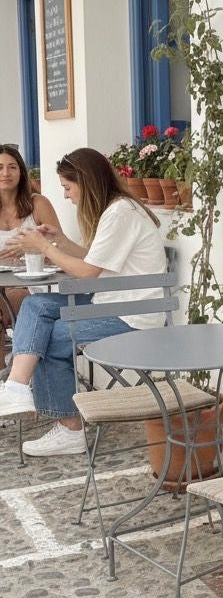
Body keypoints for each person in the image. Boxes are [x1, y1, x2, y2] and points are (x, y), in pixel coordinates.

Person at [0, 148, 167, 456]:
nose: (65, 195)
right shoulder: (116, 209)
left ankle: (70, 430)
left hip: (132, 316)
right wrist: (59, 242)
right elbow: (93, 261)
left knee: (46, 339)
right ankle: (17, 387)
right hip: (114, 302)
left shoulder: (120, 213)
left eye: (67, 187)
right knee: (36, 306)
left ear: (86, 182)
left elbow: (88, 273)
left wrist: (42, 247)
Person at [0, 143, 61, 370]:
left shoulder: (37, 204)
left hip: (35, 287)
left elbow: (60, 248)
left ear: (21, 172)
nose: (6, 173)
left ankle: (10, 382)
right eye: (0, 167)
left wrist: (30, 248)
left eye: (12, 167)